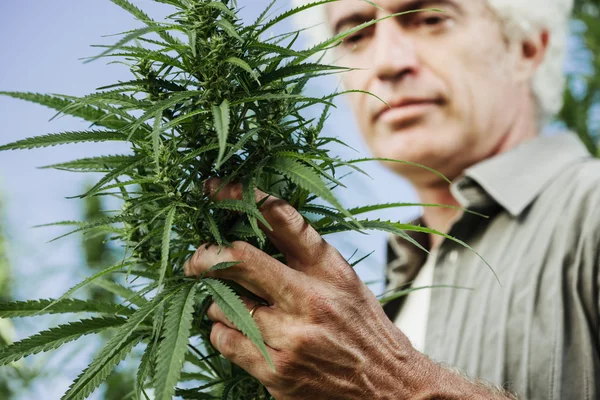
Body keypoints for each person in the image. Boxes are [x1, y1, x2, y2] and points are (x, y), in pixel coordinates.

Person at [184, 0, 600, 398]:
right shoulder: (395, 287)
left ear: (526, 48)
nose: (387, 62)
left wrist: (392, 386)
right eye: (354, 33)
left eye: (430, 18)